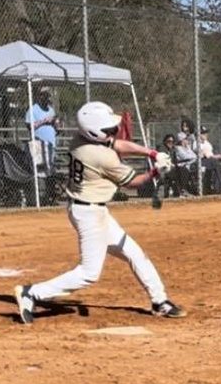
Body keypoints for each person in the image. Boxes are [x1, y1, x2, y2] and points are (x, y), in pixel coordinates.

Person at [14, 101, 185, 324]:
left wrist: (151, 152)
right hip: (89, 214)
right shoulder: (101, 157)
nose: (112, 131)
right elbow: (133, 182)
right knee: (89, 273)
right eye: (108, 129)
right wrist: (156, 171)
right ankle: (32, 293)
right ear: (94, 132)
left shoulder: (81, 139)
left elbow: (118, 144)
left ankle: (159, 301)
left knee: (134, 254)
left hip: (90, 210)